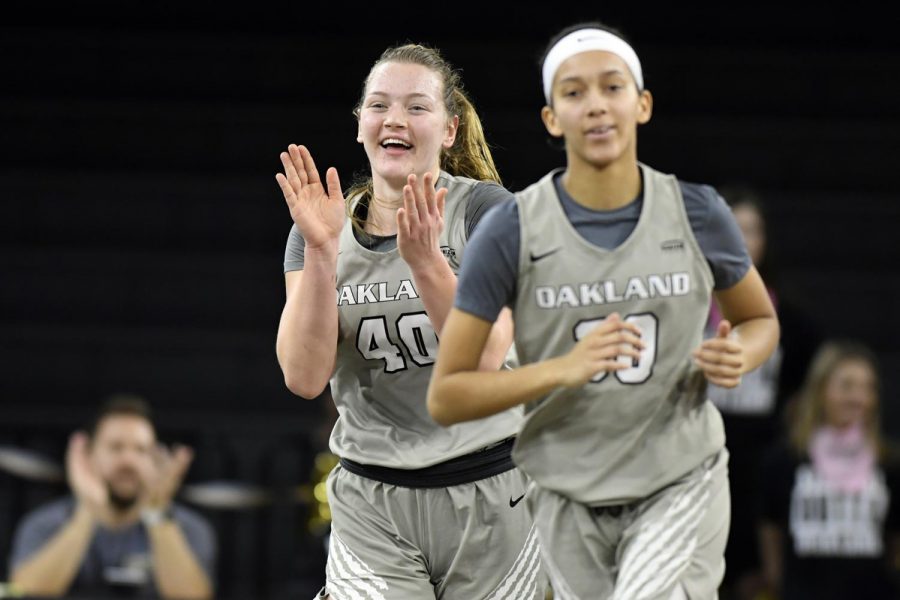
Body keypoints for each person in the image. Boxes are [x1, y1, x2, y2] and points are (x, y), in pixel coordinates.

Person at [427, 22, 780, 599]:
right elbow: (448, 395)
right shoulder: (511, 229)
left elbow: (760, 320)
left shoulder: (697, 213)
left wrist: (738, 353)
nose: (595, 105)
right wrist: (561, 370)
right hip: (567, 489)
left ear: (641, 105)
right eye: (574, 92)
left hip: (678, 477)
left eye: (612, 88)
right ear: (551, 117)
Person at [275, 43, 542, 599]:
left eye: (416, 107)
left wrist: (425, 262)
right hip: (374, 499)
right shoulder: (319, 228)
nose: (395, 119)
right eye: (379, 105)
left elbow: (488, 356)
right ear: (360, 126)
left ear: (449, 129)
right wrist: (323, 253)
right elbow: (304, 377)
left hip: (492, 489)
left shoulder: (486, 211)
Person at [705, 186, 822, 599]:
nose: (741, 238)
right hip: (700, 453)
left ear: (764, 240)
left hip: (760, 459)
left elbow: (808, 385)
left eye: (751, 229)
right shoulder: (685, 306)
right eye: (731, 228)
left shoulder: (789, 317)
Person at [9, 394, 216, 599]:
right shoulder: (44, 523)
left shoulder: (188, 528)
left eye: (141, 450)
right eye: (115, 448)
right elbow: (22, 592)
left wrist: (157, 513)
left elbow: (194, 595)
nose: (128, 460)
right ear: (89, 455)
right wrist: (87, 512)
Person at [758, 341, 900, 599]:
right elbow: (770, 528)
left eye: (868, 388)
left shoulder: (888, 461)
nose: (859, 398)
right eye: (847, 386)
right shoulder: (785, 459)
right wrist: (778, 584)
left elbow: (894, 539)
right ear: (820, 390)